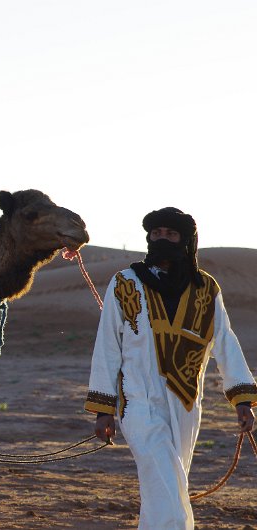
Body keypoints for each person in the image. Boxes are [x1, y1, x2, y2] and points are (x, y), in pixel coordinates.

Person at [84, 207, 257, 529]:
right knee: (164, 481)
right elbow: (107, 346)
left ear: (186, 241)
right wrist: (102, 409)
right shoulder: (125, 283)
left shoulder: (206, 288)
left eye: (171, 234)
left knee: (165, 485)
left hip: (186, 403)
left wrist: (242, 400)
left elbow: (225, 341)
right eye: (156, 233)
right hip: (139, 401)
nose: (162, 238)